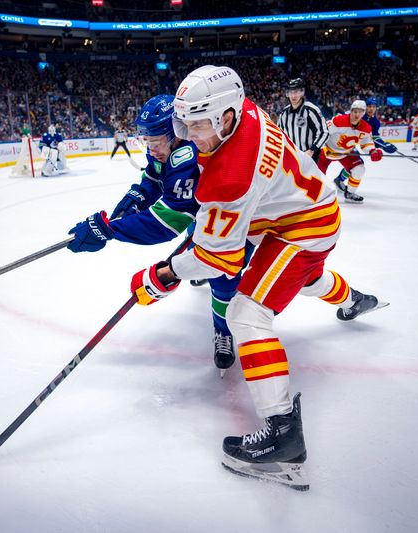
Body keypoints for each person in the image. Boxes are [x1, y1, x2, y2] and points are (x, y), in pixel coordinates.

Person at [129, 65, 383, 490]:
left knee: (246, 315)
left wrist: (163, 273)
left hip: (302, 225)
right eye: (183, 125)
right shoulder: (244, 111)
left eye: (199, 126)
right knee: (302, 277)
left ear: (227, 115)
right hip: (298, 208)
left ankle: (284, 439)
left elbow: (218, 262)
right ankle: (352, 298)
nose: (191, 137)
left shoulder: (230, 175)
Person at [67, 94, 251, 374]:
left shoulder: (189, 157)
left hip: (237, 221)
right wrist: (137, 196)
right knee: (200, 255)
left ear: (175, 133)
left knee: (224, 278)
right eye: (147, 143)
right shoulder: (165, 149)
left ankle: (223, 332)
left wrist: (109, 230)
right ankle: (200, 268)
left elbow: (166, 223)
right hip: (201, 215)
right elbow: (153, 177)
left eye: (155, 143)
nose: (151, 150)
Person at [318, 100, 383, 204]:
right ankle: (317, 193)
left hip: (346, 153)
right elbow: (323, 132)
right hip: (326, 150)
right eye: (355, 111)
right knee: (317, 174)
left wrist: (372, 150)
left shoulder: (366, 127)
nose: (357, 114)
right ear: (351, 111)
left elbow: (366, 143)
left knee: (359, 169)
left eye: (360, 112)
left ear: (363, 113)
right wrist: (319, 148)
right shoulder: (338, 121)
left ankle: (350, 193)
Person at [334, 97, 397, 192]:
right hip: (342, 140)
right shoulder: (355, 113)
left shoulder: (375, 122)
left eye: (373, 106)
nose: (371, 109)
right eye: (369, 106)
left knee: (356, 164)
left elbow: (374, 137)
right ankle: (339, 180)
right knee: (355, 163)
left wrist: (384, 145)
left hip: (354, 141)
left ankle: (339, 180)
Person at [276, 77, 329, 163]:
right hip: (292, 158)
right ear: (287, 94)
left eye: (296, 92)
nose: (293, 96)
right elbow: (279, 134)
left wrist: (312, 150)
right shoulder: (284, 113)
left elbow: (324, 132)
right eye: (290, 92)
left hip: (310, 158)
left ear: (302, 92)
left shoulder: (311, 110)